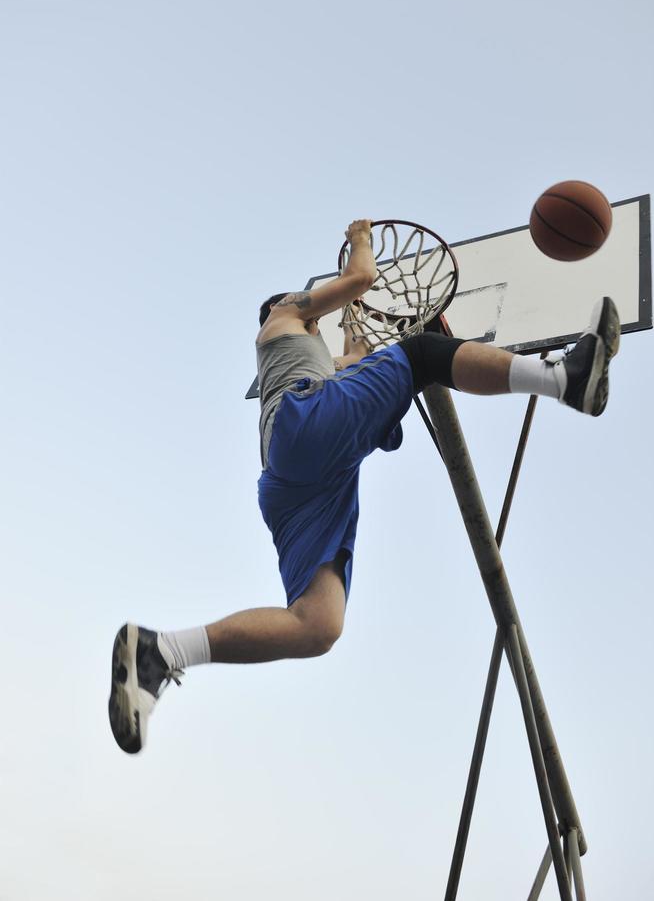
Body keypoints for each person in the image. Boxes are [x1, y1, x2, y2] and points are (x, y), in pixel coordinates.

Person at [109, 219, 620, 754]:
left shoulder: (317, 361)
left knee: (317, 625)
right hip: (304, 429)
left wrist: (356, 326)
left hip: (295, 484)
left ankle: (162, 650)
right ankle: (564, 378)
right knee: (422, 355)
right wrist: (360, 240)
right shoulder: (284, 316)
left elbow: (357, 360)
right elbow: (361, 277)